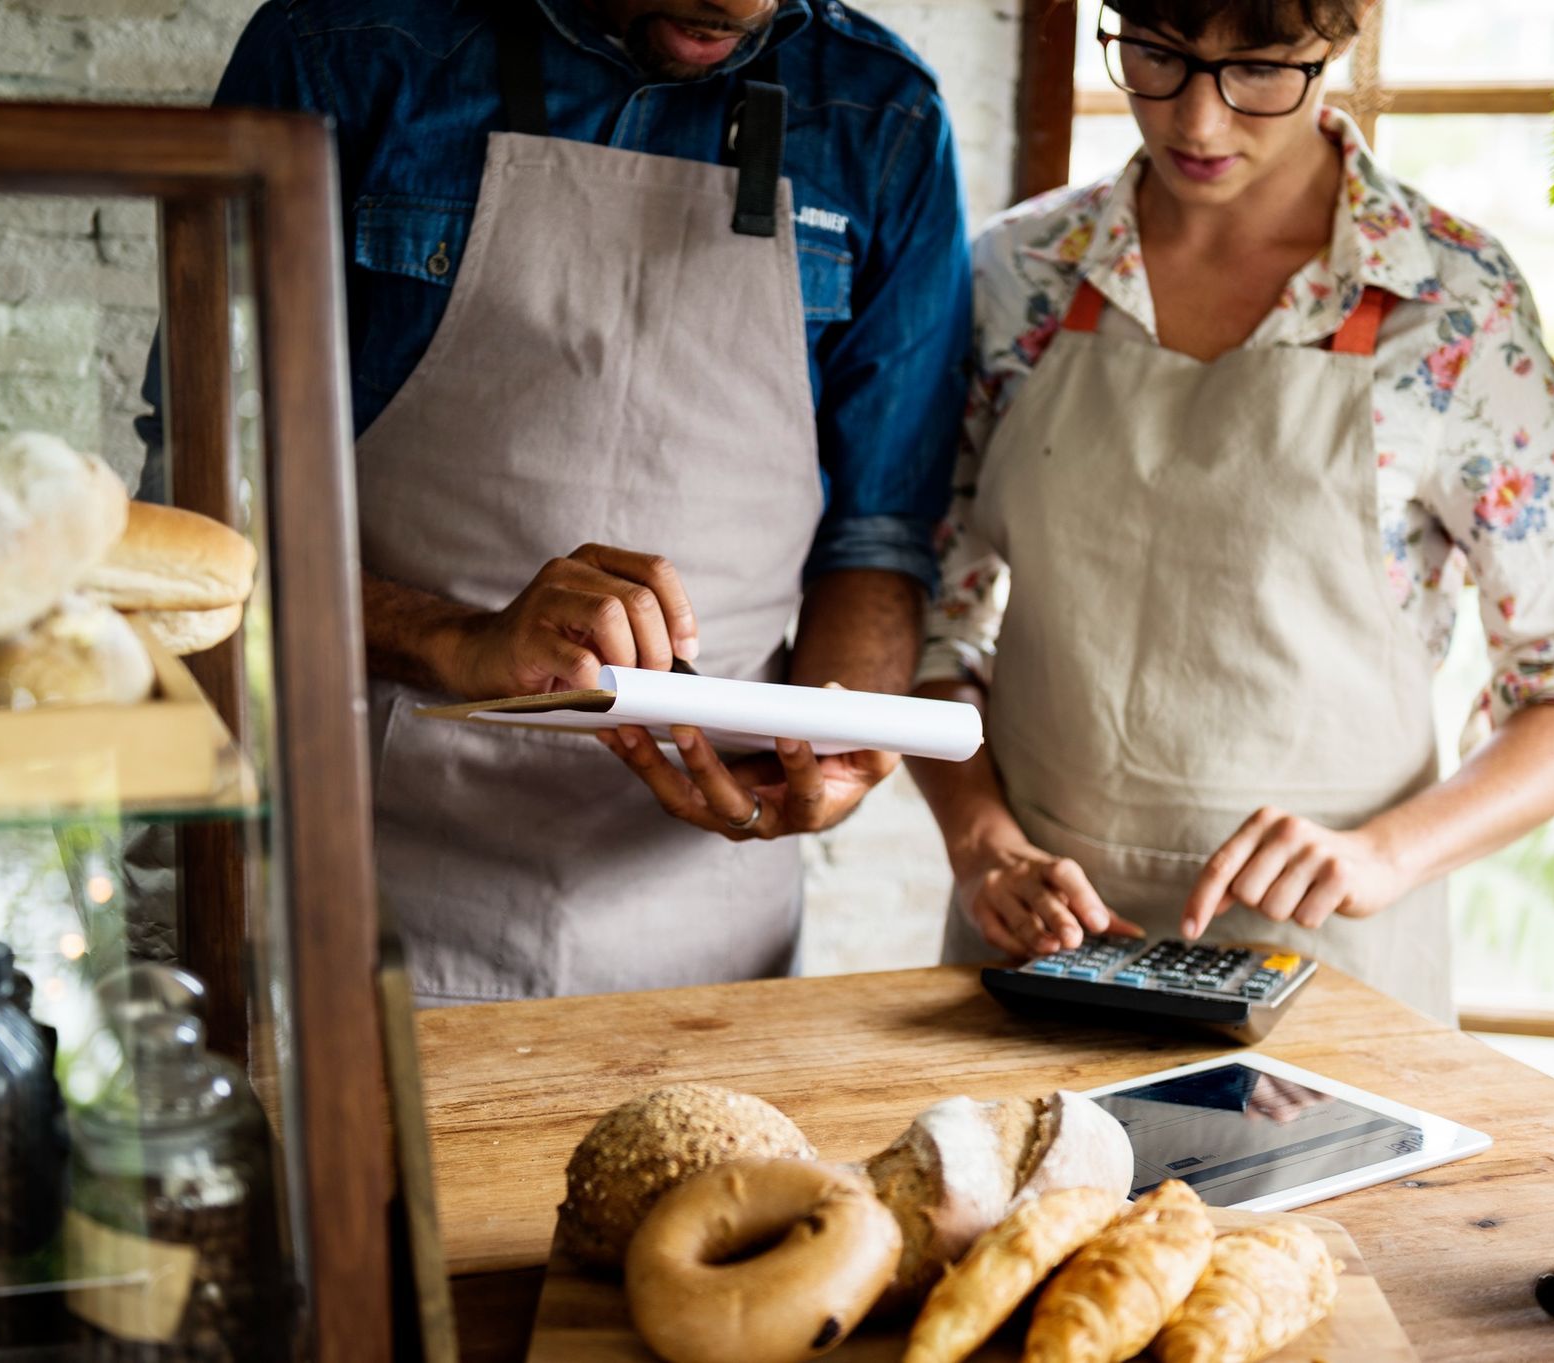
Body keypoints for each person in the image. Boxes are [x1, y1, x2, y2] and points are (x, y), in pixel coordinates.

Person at [137, 0, 971, 1005]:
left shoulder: (886, 119)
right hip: (356, 888)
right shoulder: (343, 54)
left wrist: (826, 755)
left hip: (707, 931)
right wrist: (455, 637)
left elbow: (877, 538)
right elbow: (194, 524)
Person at [908, 0, 1554, 1021]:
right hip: (1038, 950)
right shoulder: (1018, 277)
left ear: (1338, 36)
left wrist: (1384, 853)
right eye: (1159, 55)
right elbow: (930, 617)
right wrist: (980, 841)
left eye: (1259, 68)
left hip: (1330, 973)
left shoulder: (1449, 301)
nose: (1198, 124)